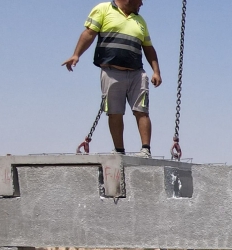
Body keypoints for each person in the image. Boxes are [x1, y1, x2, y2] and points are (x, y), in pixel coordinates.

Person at [63, 0, 161, 157]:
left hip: (137, 73)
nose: (142, 3)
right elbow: (89, 33)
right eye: (140, 0)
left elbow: (148, 47)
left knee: (141, 110)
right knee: (114, 112)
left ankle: (145, 149)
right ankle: (119, 150)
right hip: (111, 72)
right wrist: (76, 55)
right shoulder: (104, 9)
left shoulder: (140, 20)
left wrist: (156, 71)